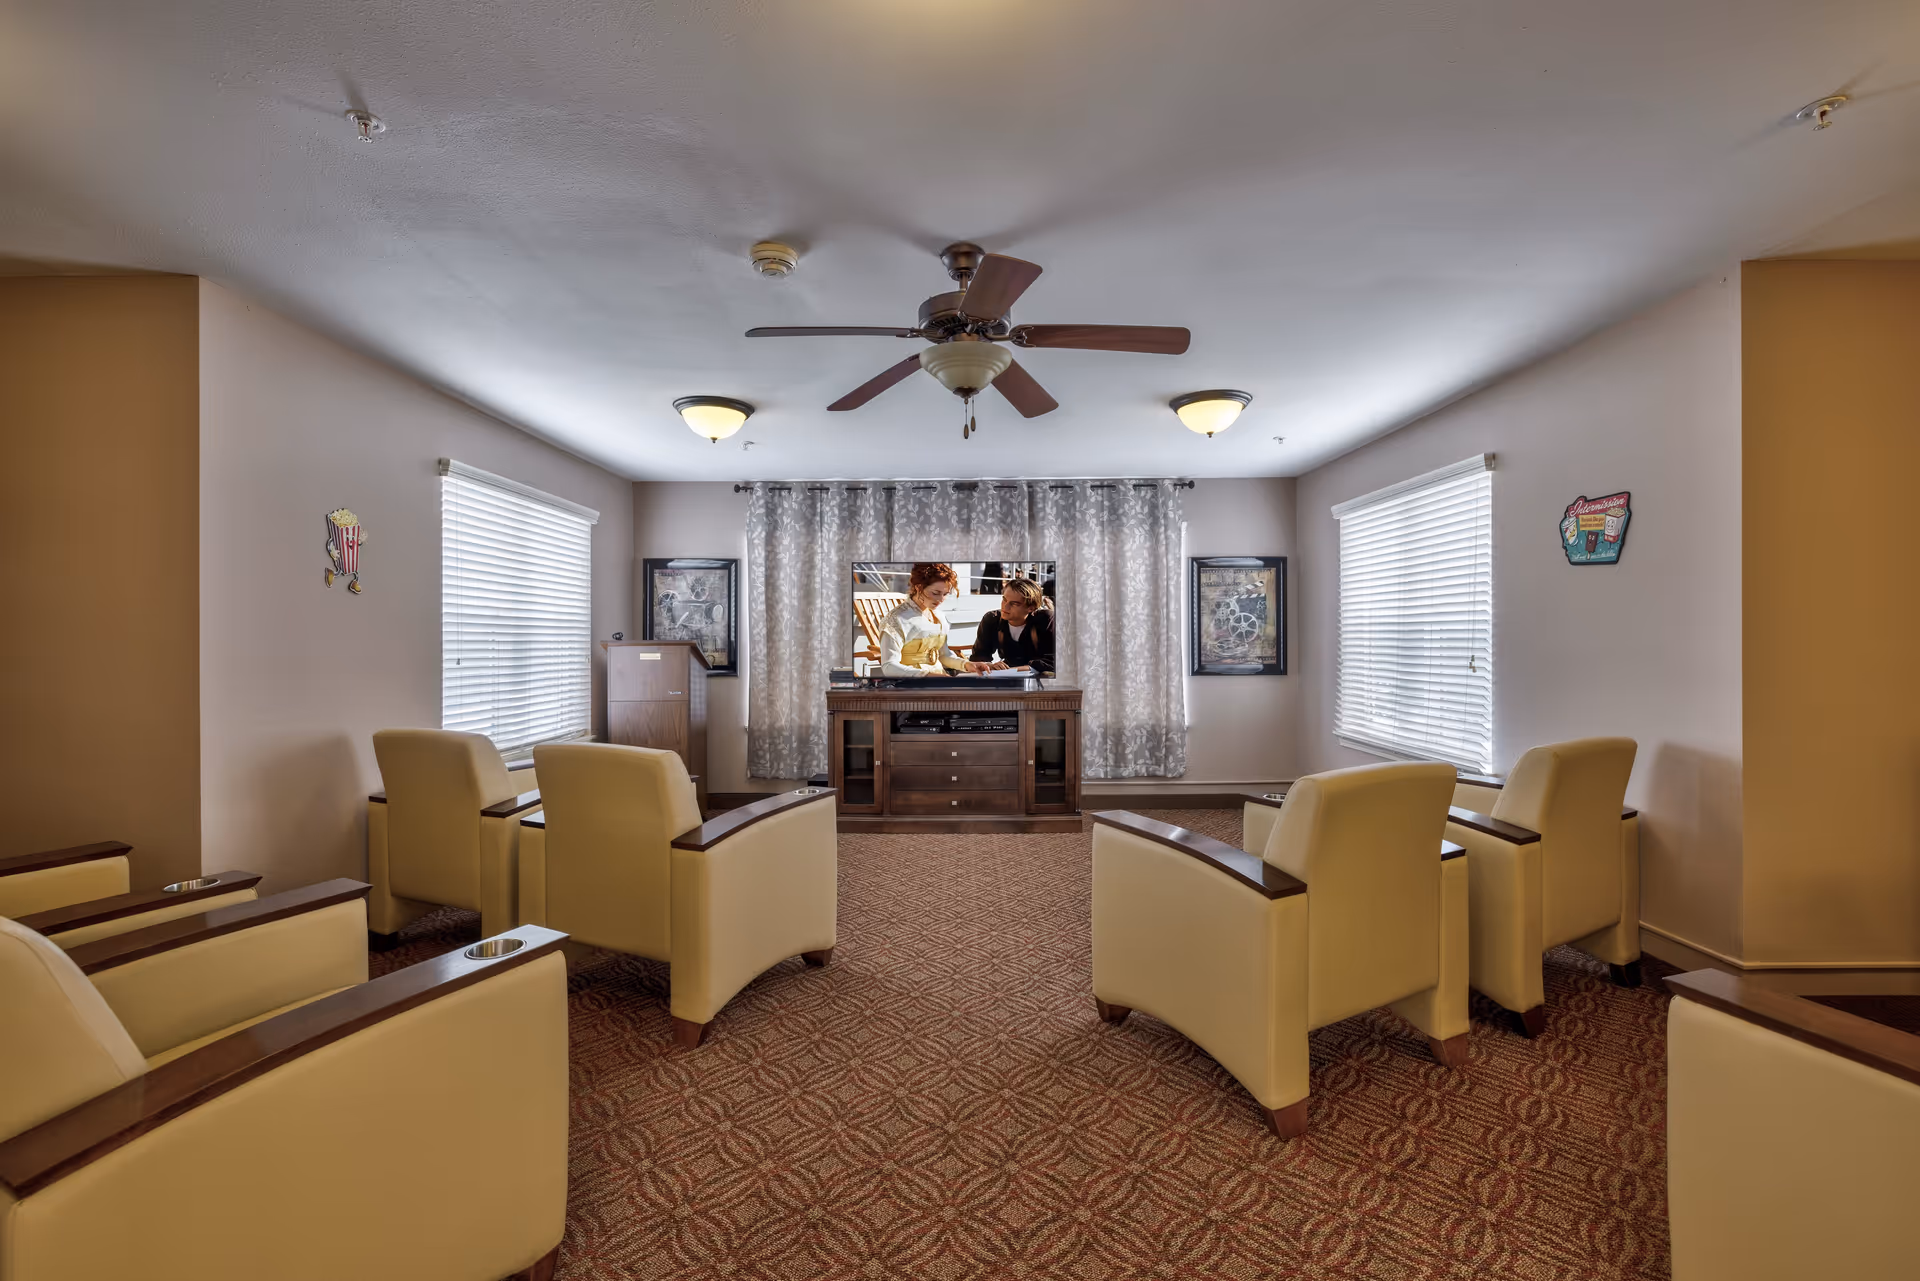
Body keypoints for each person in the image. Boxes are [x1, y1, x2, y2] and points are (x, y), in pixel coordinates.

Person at [879, 562, 990, 677]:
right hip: (912, 684)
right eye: (936, 593)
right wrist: (927, 675)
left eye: (945, 594)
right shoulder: (897, 619)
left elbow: (944, 655)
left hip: (940, 679)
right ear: (919, 587)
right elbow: (889, 666)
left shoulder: (938, 616)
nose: (941, 599)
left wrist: (967, 665)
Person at [968, 577, 1056, 675]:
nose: (1005, 607)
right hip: (1007, 674)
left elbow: (1054, 661)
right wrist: (989, 665)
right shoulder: (992, 619)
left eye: (1014, 604)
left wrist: (1015, 670)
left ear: (1031, 608)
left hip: (1038, 676)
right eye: (1004, 600)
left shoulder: (1046, 619)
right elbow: (978, 657)